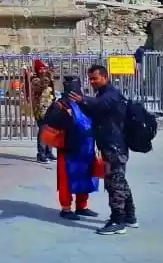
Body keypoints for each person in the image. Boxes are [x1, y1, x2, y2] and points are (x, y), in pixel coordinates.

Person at [76, 65, 136, 235]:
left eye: (95, 78)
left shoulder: (111, 94)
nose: (92, 82)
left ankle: (118, 220)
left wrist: (83, 99)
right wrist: (81, 103)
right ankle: (130, 216)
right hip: (110, 145)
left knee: (113, 183)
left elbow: (101, 104)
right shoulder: (102, 94)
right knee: (120, 180)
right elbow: (95, 110)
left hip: (114, 146)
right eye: (90, 79)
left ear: (104, 77)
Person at [51, 78, 100, 220]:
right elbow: (51, 123)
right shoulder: (59, 105)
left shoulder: (85, 104)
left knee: (85, 176)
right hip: (68, 149)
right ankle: (66, 209)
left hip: (86, 148)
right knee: (66, 178)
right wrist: (65, 116)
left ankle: (82, 206)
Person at [26, 59, 57, 163]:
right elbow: (41, 87)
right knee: (43, 130)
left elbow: (51, 90)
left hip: (49, 108)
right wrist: (47, 76)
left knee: (51, 130)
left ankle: (49, 151)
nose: (44, 70)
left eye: (45, 68)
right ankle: (41, 153)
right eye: (42, 68)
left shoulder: (47, 78)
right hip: (40, 110)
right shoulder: (35, 80)